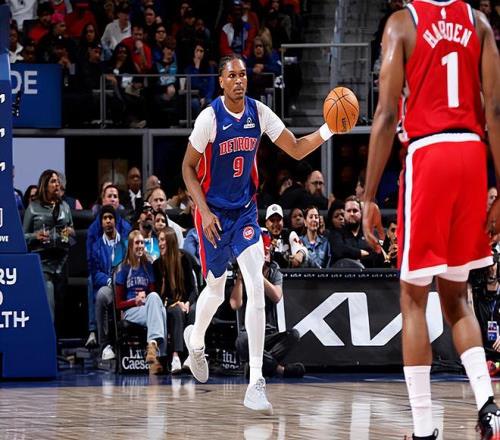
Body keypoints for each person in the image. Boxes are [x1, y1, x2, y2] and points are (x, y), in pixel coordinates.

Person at [362, 2, 500, 439]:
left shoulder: (403, 23)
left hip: (430, 152)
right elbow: (495, 111)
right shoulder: (479, 23)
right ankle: (489, 408)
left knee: (413, 298)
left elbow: (386, 114)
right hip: (472, 155)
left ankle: (424, 429)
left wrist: (368, 197)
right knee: (457, 297)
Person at [181, 54, 335, 414]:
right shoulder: (209, 119)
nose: (239, 80)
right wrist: (204, 212)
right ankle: (196, 342)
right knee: (216, 289)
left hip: (245, 211)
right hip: (212, 213)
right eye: (232, 75)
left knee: (254, 283)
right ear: (221, 81)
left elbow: (295, 147)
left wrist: (329, 129)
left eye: (243, 75)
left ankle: (255, 381)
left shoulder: (259, 113)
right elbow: (187, 168)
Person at [23, 170, 74, 332]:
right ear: (44, 185)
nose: (57, 184)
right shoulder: (33, 208)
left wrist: (70, 232)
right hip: (42, 263)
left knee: (60, 306)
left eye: (58, 181)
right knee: (49, 304)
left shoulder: (65, 207)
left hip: (62, 262)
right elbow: (22, 237)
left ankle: (56, 341)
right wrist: (36, 236)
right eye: (53, 181)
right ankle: (48, 338)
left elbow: (71, 230)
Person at [114, 230, 166, 375]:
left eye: (142, 242)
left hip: (146, 308)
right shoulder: (123, 269)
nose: (140, 246)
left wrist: (146, 297)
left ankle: (152, 350)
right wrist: (134, 301)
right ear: (131, 246)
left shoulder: (148, 267)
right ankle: (159, 357)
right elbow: (118, 304)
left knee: (158, 304)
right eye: (137, 243)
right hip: (131, 311)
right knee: (160, 313)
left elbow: (153, 295)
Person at [153, 227, 196, 374]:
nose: (160, 244)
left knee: (194, 311)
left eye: (163, 240)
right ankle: (176, 357)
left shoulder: (184, 259)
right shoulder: (157, 265)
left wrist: (188, 303)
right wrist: (177, 302)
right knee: (177, 311)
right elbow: (158, 294)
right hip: (168, 304)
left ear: (171, 241)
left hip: (186, 302)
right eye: (159, 240)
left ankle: (191, 356)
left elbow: (192, 288)